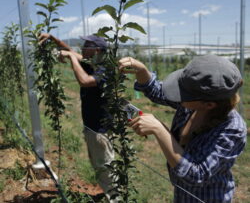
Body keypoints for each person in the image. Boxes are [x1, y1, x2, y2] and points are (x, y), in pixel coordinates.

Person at [118, 54, 247, 203]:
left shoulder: (232, 129)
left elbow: (196, 174)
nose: (178, 95)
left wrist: (159, 130)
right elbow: (158, 91)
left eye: (182, 94)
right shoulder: (192, 105)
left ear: (209, 105)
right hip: (182, 195)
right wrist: (142, 71)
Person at [39, 33, 117, 202]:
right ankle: (110, 196)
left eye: (86, 45)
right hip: (92, 126)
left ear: (96, 50)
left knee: (106, 168)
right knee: (100, 166)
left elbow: (85, 80)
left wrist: (71, 58)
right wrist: (53, 38)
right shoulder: (92, 62)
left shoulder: (105, 68)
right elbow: (69, 51)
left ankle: (115, 199)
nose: (82, 48)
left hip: (100, 130)